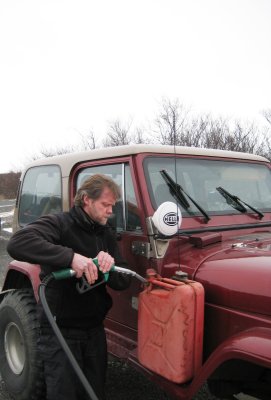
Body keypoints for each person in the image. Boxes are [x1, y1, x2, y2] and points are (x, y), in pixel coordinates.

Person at [7, 174, 131, 400]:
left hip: (94, 329)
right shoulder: (60, 224)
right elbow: (18, 243)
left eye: (112, 206)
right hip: (60, 330)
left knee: (94, 391)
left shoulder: (105, 233)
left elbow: (124, 281)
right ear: (86, 200)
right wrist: (71, 258)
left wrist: (110, 266)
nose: (110, 211)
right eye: (105, 205)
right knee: (64, 392)